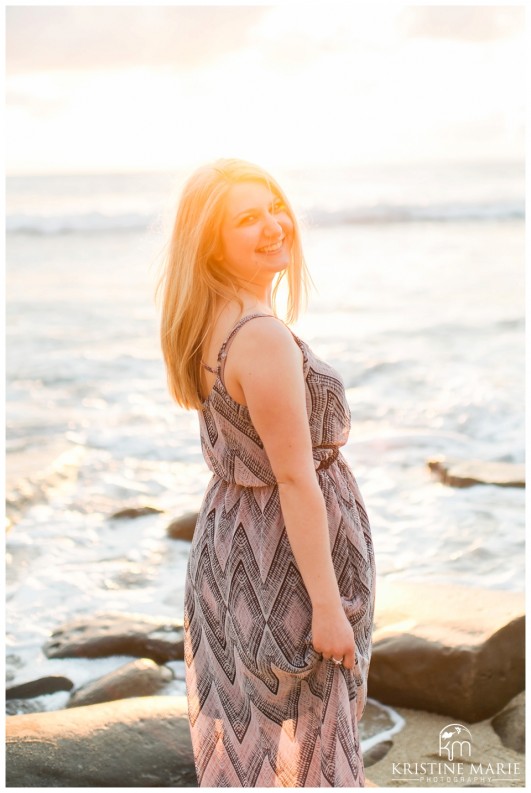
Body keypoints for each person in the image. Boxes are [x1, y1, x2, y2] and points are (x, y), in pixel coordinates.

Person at [158, 158, 375, 787]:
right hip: (282, 559)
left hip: (231, 544)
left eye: (275, 206)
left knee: (252, 737)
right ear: (211, 243)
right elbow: (294, 479)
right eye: (247, 219)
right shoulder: (261, 337)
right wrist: (328, 607)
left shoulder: (208, 321)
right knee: (316, 740)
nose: (275, 225)